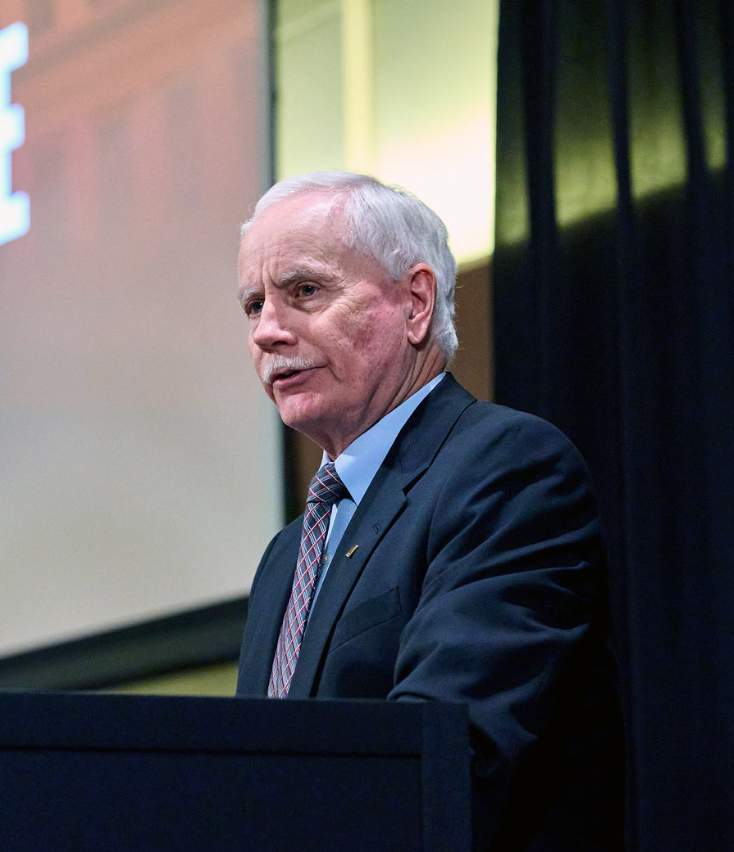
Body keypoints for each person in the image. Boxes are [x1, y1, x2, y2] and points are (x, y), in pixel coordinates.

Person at [234, 172, 624, 851]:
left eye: (304, 291)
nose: (268, 330)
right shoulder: (286, 555)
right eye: (252, 305)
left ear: (414, 303)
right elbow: (250, 776)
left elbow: (446, 757)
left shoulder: (505, 469)